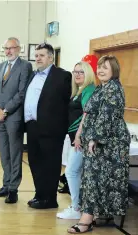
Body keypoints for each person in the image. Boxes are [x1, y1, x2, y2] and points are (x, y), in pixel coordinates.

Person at [68, 55, 131, 233]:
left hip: (109, 144)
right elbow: (88, 113)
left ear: (114, 71)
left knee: (96, 181)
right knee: (94, 181)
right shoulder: (101, 88)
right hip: (96, 142)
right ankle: (98, 216)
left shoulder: (113, 89)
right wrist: (81, 134)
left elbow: (107, 116)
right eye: (100, 67)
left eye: (106, 68)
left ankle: (86, 220)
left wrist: (95, 138)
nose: (101, 70)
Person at [24, 43, 72, 209]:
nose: (38, 58)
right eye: (36, 55)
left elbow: (67, 103)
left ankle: (50, 199)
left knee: (50, 165)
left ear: (51, 57)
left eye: (41, 55)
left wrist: (64, 128)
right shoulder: (33, 75)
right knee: (35, 162)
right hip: (32, 126)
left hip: (52, 129)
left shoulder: (63, 76)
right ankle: (40, 195)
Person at [0, 37, 33, 204]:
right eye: (6, 48)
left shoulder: (25, 66)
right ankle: (6, 185)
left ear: (19, 49)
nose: (8, 51)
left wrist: (5, 110)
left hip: (13, 117)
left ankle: (14, 189)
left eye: (11, 48)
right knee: (4, 153)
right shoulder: (0, 66)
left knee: (15, 154)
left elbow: (22, 93)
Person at [56, 61, 95, 219]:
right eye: (75, 72)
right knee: (75, 172)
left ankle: (76, 208)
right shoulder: (79, 90)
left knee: (71, 172)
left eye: (81, 72)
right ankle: (77, 206)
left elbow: (87, 114)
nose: (77, 75)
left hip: (81, 140)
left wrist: (79, 136)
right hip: (75, 139)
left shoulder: (89, 89)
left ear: (88, 74)